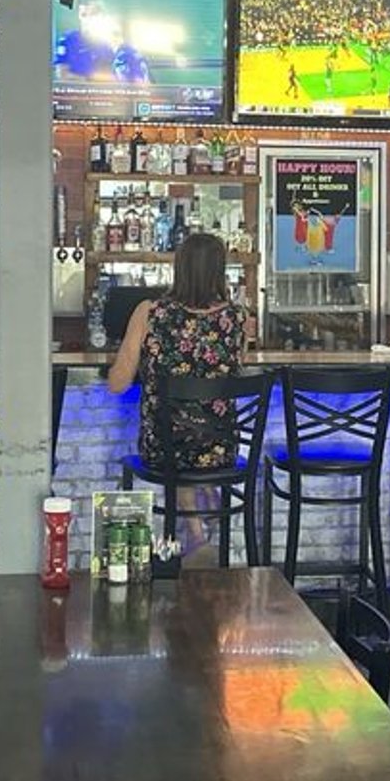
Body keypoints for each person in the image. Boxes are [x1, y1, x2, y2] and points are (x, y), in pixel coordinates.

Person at [105, 232, 249, 555]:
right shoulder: (238, 317)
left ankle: (196, 534)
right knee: (195, 433)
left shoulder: (150, 313)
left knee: (176, 433)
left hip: (164, 448)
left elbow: (117, 384)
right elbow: (236, 365)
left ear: (179, 267)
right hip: (221, 449)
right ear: (219, 270)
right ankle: (206, 497)